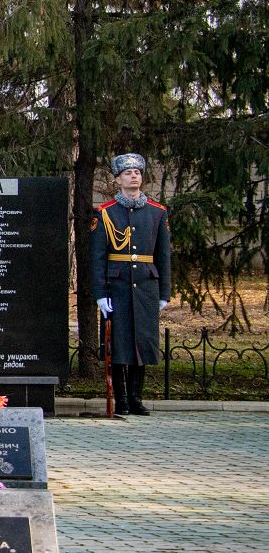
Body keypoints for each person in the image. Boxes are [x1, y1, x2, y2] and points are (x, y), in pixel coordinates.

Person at [91, 152, 172, 416]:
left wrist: (164, 292)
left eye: (137, 172)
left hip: (146, 286)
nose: (133, 176)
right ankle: (122, 399)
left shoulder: (157, 213)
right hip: (117, 287)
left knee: (142, 342)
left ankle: (136, 398)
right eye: (127, 173)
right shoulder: (105, 213)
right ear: (118, 179)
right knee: (118, 343)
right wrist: (100, 293)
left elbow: (163, 255)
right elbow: (98, 257)